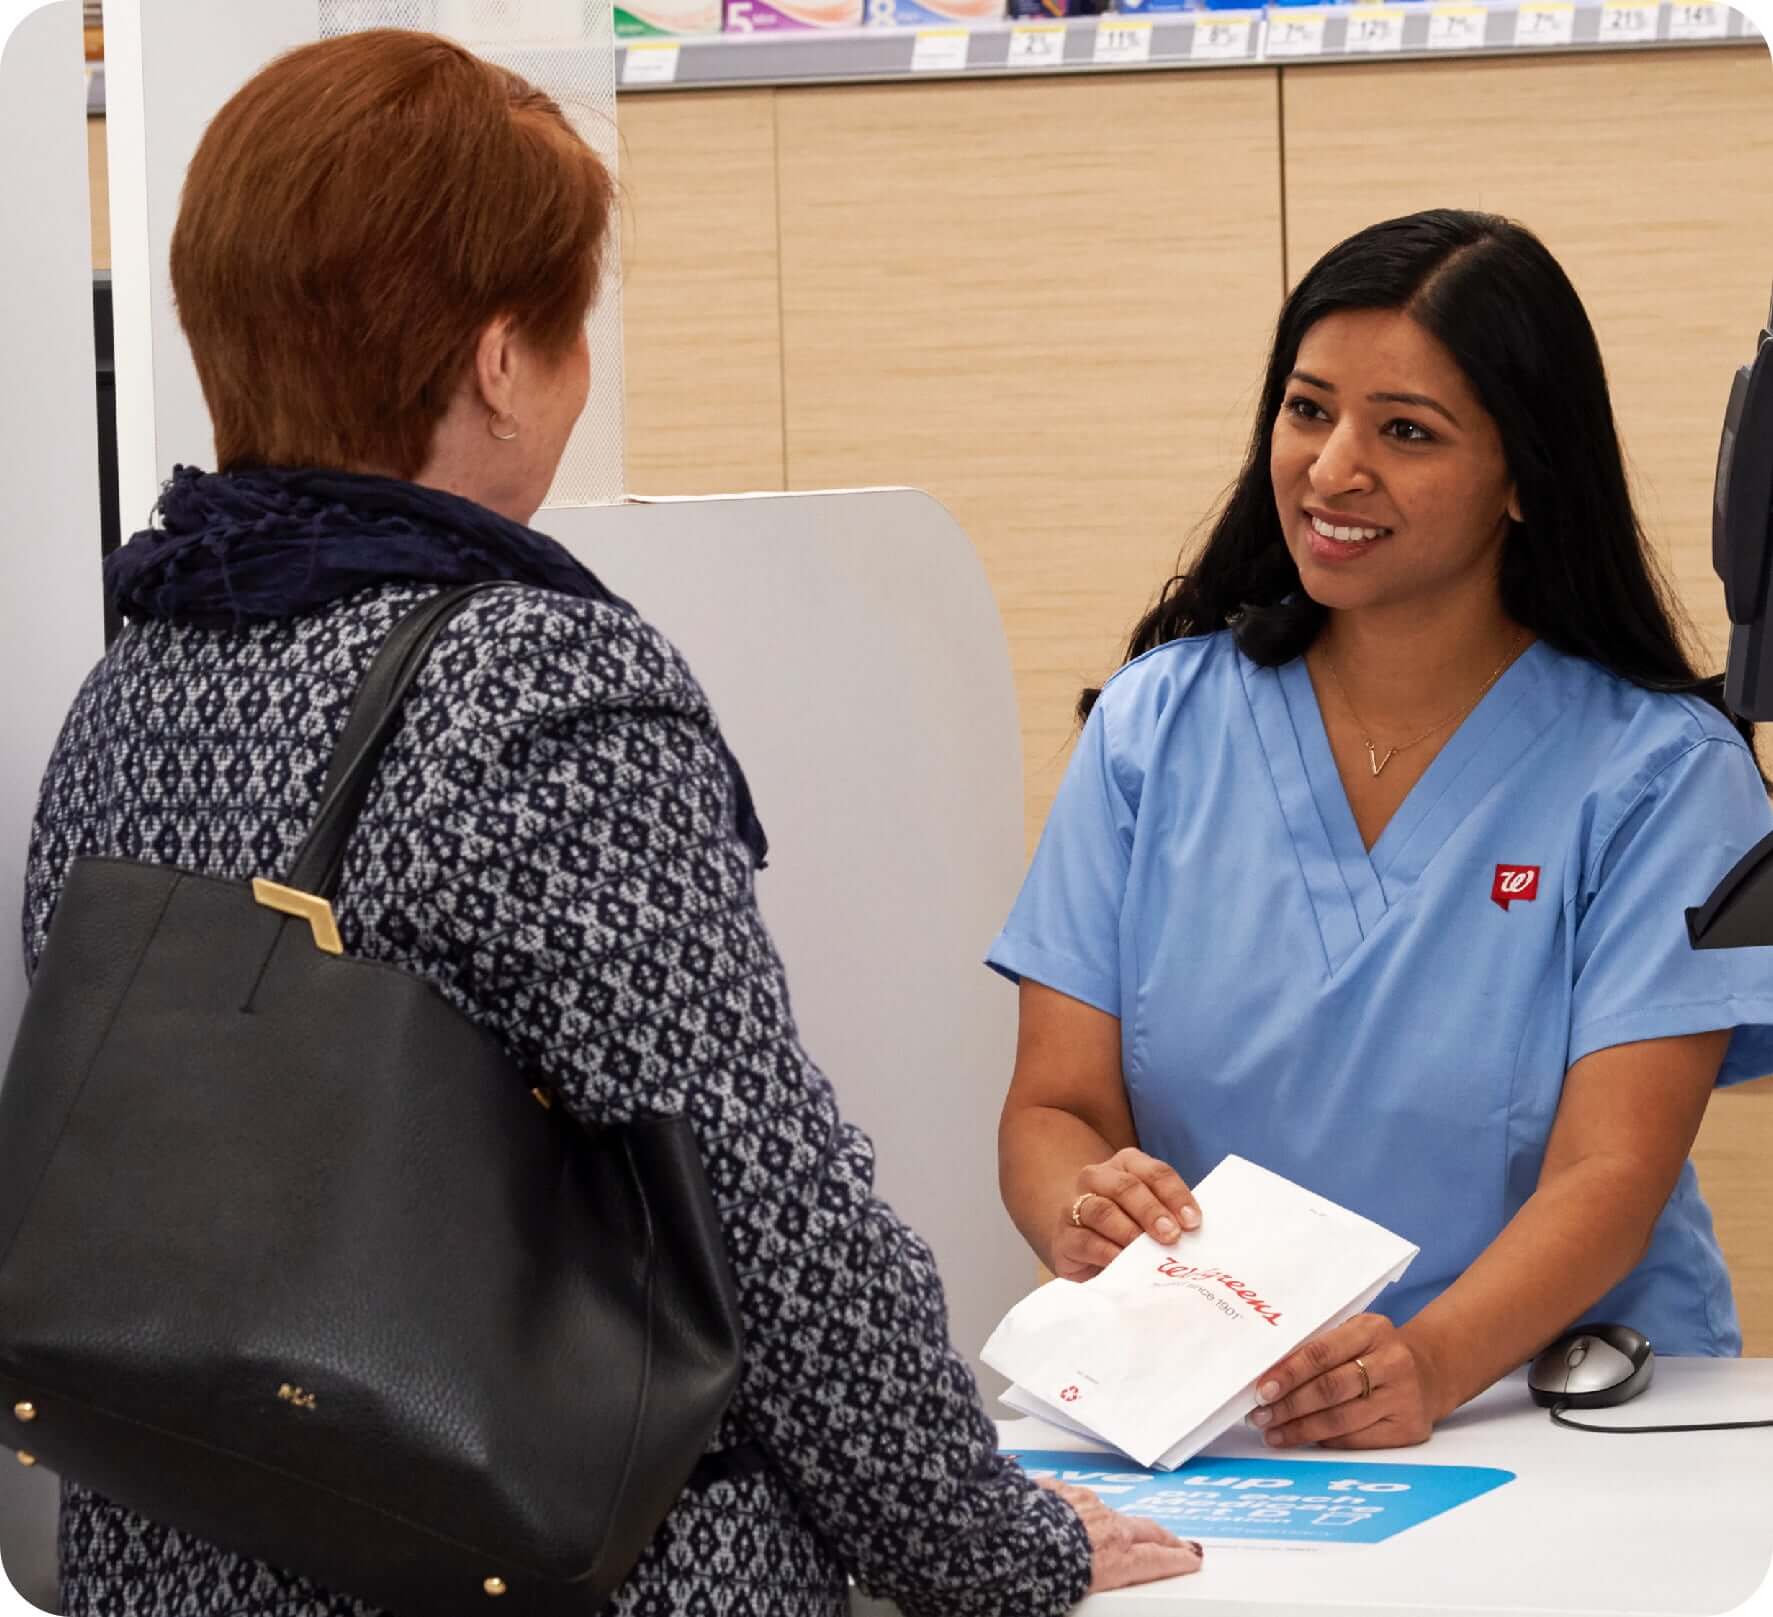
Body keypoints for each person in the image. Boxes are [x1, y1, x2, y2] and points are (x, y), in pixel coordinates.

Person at [23, 30, 1202, 1617]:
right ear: (503, 360)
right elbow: (760, 1208)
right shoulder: (535, 683)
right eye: (573, 328)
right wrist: (989, 1546)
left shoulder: (143, 668)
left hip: (179, 1545)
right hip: (542, 1556)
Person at [993, 209, 1773, 1454]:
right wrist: (1080, 1208)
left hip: (1554, 1407)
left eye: (1406, 431)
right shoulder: (1156, 725)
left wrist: (1428, 1365)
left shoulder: (1662, 776)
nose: (1332, 468)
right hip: (1212, 1409)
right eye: (1309, 411)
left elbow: (1609, 1179)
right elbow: (1055, 1108)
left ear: (1526, 473)